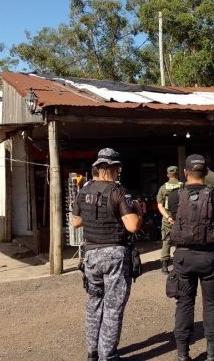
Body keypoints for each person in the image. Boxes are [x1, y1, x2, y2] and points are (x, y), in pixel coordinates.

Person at [72, 148, 142, 361]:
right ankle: (107, 355)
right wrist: (138, 210)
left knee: (94, 302)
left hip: (91, 255)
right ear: (116, 168)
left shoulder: (83, 191)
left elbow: (76, 222)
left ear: (97, 167)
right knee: (113, 307)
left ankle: (93, 351)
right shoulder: (119, 192)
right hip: (115, 256)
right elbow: (131, 226)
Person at [167, 154, 214, 361]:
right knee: (212, 304)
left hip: (184, 257)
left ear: (185, 172)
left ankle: (183, 354)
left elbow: (175, 217)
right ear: (206, 172)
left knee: (184, 304)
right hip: (210, 257)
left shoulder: (175, 195)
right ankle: (213, 353)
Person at [156, 165, 183, 274]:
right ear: (177, 174)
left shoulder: (163, 188)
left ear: (168, 175)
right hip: (180, 218)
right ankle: (178, 265)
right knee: (180, 242)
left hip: (167, 218)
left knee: (166, 241)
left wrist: (168, 217)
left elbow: (159, 205)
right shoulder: (183, 186)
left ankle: (164, 266)